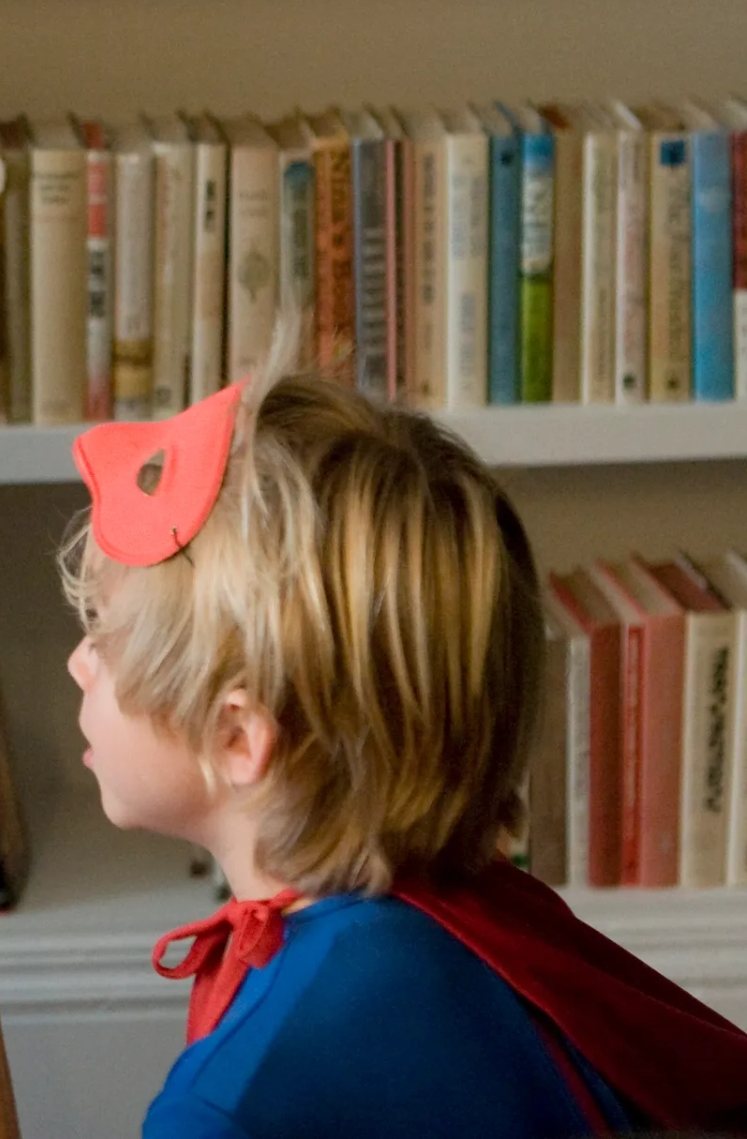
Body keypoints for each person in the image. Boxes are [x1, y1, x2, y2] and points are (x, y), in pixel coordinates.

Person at [60, 355, 747, 1137]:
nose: (79, 662)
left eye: (102, 635)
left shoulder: (229, 1105)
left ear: (237, 736)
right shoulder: (494, 928)